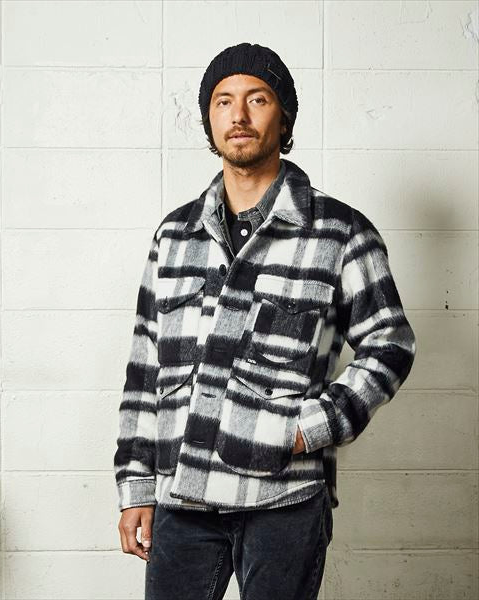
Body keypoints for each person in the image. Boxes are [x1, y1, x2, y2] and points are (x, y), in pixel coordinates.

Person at [114, 42, 416, 600]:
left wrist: (310, 427)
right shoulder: (174, 236)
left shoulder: (340, 232)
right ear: (209, 120)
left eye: (257, 99)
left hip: (285, 500)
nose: (239, 114)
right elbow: (144, 368)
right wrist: (136, 485)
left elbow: (390, 344)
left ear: (284, 118)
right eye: (223, 101)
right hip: (182, 498)